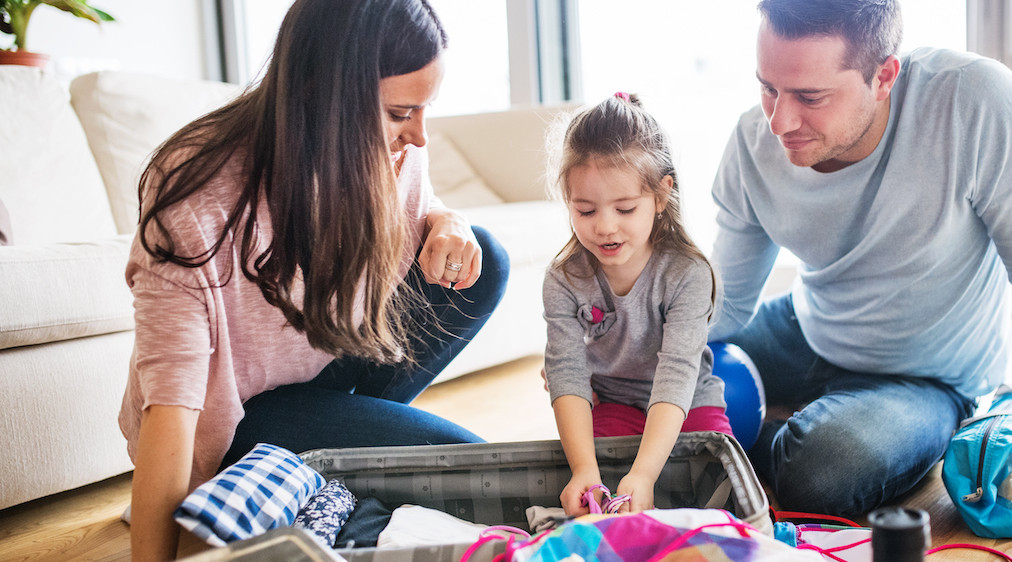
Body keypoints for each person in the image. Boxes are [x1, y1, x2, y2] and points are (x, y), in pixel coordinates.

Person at [708, 0, 1012, 526]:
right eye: (767, 87)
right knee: (658, 372)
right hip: (811, 325)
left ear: (883, 77)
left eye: (809, 96)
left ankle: (774, 433)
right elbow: (722, 306)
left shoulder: (976, 104)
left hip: (928, 376)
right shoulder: (755, 141)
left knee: (818, 476)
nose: (779, 120)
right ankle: (777, 427)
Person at [119, 0, 510, 559]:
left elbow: (417, 212)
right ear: (326, 98)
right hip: (236, 416)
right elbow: (172, 406)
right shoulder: (193, 195)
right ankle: (236, 486)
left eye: (425, 109)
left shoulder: (389, 154)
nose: (420, 136)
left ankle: (347, 435)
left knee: (483, 259)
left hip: (321, 371)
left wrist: (448, 220)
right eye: (401, 113)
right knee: (469, 463)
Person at [542, 93, 733, 516]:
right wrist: (584, 469)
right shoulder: (563, 279)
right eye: (585, 210)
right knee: (595, 494)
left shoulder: (687, 273)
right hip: (612, 402)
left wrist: (644, 473)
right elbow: (566, 372)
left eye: (625, 208)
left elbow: (678, 371)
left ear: (661, 196)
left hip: (688, 404)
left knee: (718, 492)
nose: (605, 227)